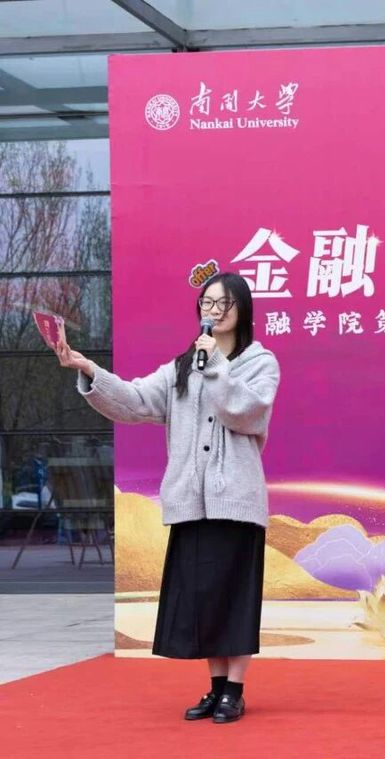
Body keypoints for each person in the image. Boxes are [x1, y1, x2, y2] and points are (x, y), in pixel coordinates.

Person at [54, 272, 280, 725]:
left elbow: (245, 412)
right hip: (191, 502)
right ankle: (216, 687)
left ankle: (235, 691)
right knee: (204, 597)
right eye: (207, 303)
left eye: (223, 303)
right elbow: (136, 400)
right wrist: (89, 370)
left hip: (236, 502)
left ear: (242, 310)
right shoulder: (182, 366)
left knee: (234, 598)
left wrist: (215, 364)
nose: (213, 311)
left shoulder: (260, 363)